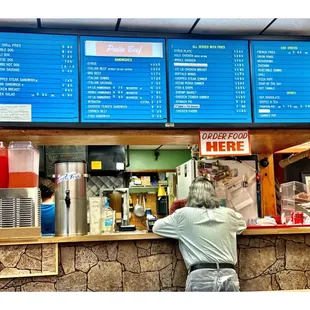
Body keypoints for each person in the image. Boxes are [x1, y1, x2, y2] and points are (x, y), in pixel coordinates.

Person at [153, 176, 246, 292]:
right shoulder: (229, 214)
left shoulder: (183, 215)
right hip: (229, 276)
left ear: (191, 195)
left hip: (200, 278)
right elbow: (242, 225)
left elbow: (156, 227)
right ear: (213, 194)